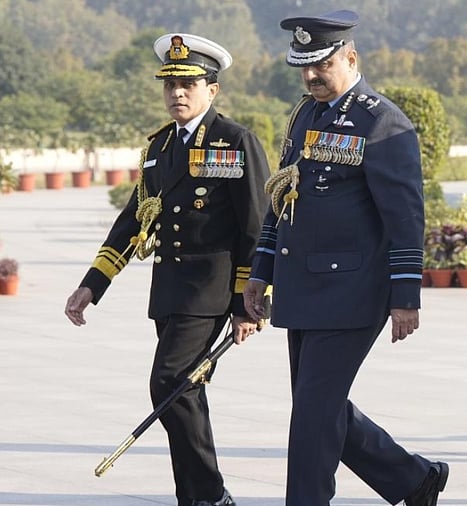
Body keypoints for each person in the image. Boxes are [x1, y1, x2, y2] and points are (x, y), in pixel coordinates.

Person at [241, 10, 448, 506]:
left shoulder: (381, 121)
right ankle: (413, 479)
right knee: (319, 405)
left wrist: (405, 297)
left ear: (350, 57)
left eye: (321, 66)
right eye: (304, 68)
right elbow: (281, 197)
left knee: (312, 414)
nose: (311, 77)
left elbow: (405, 218)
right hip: (304, 289)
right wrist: (260, 272)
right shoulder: (304, 116)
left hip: (353, 293)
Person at [64, 33, 270, 506]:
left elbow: (256, 228)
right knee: (183, 392)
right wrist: (91, 285)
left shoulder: (235, 140)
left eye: (189, 84)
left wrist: (248, 305)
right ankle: (198, 498)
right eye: (170, 84)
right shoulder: (159, 147)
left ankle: (211, 495)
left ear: (212, 90)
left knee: (168, 381)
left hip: (213, 289)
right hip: (170, 290)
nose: (177, 93)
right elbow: (133, 218)